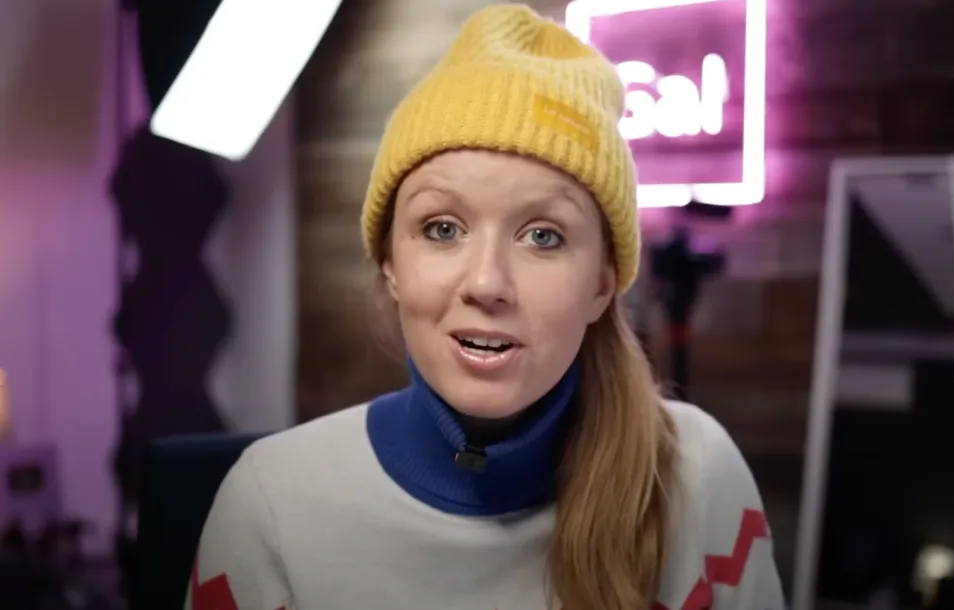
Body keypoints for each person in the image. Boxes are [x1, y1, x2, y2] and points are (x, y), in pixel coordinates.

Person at [187, 5, 783, 610]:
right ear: (390, 262)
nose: (487, 282)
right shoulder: (271, 507)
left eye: (544, 236)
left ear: (603, 285)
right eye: (443, 229)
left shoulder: (697, 475)